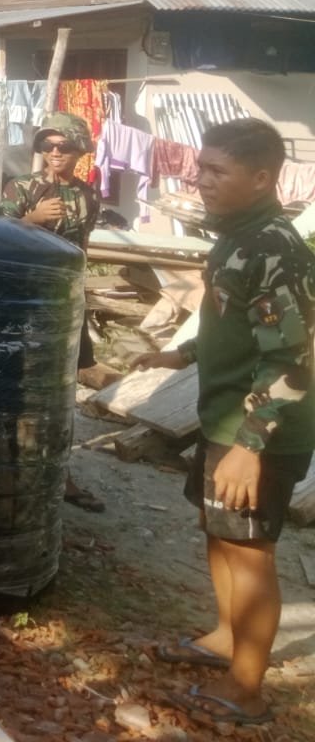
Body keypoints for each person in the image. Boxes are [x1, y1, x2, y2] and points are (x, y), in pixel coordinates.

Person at [133, 118, 312, 727]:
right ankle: (226, 638)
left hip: (261, 432)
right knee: (220, 532)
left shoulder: (272, 248)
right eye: (200, 168)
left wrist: (250, 447)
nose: (200, 180)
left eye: (216, 171)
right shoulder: (237, 237)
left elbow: (293, 359)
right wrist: (180, 353)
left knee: (249, 550)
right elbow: (235, 323)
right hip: (226, 422)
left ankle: (247, 689)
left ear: (261, 178)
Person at [1, 111, 107, 513]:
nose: (55, 152)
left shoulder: (88, 196)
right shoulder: (21, 188)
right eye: (48, 145)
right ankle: (13, 470)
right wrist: (31, 220)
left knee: (61, 392)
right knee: (18, 390)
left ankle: (60, 475)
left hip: (65, 304)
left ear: (80, 151)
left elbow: (82, 250)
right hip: (25, 305)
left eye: (64, 146)